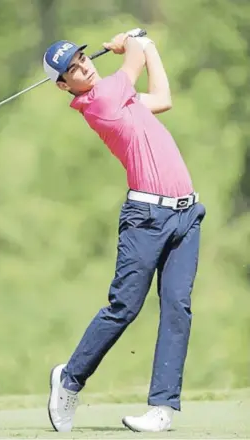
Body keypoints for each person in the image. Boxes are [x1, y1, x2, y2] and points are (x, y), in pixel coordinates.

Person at [43, 28, 206, 433]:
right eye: (73, 69)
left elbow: (164, 98)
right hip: (146, 219)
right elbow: (131, 63)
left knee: (177, 309)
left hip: (186, 215)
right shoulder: (98, 102)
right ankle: (69, 380)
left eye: (83, 59)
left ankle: (162, 409)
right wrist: (130, 40)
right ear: (64, 86)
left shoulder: (121, 97)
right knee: (124, 308)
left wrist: (148, 47)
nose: (83, 66)